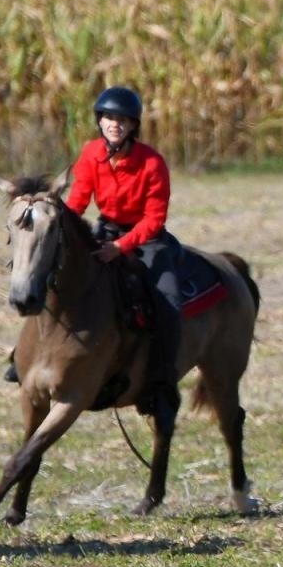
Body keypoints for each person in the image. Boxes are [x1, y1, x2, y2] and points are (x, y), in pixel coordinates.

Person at [66, 86, 184, 408]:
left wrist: (119, 247)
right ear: (99, 121)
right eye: (107, 117)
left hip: (147, 239)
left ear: (133, 125)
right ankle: (24, 358)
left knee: (170, 302)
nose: (114, 124)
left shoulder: (152, 163)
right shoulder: (90, 154)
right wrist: (61, 226)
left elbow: (154, 219)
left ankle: (161, 380)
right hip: (105, 229)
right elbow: (78, 201)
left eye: (122, 119)